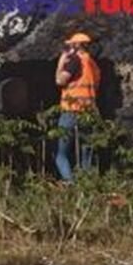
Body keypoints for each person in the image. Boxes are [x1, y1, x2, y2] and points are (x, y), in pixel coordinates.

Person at [54, 31, 100, 181]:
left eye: (71, 45)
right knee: (86, 154)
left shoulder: (74, 61)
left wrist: (61, 63)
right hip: (89, 113)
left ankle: (70, 185)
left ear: (76, 45)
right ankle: (88, 186)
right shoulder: (93, 65)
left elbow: (60, 81)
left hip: (71, 112)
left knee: (60, 154)